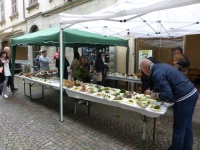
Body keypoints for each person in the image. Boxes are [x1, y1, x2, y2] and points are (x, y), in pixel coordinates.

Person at [140, 59, 198, 150]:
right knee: (187, 126)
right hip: (192, 92)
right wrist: (152, 91)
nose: (143, 73)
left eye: (142, 71)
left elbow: (168, 95)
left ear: (145, 69)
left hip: (184, 98)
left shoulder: (156, 73)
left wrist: (156, 95)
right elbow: (162, 83)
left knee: (179, 130)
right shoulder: (160, 66)